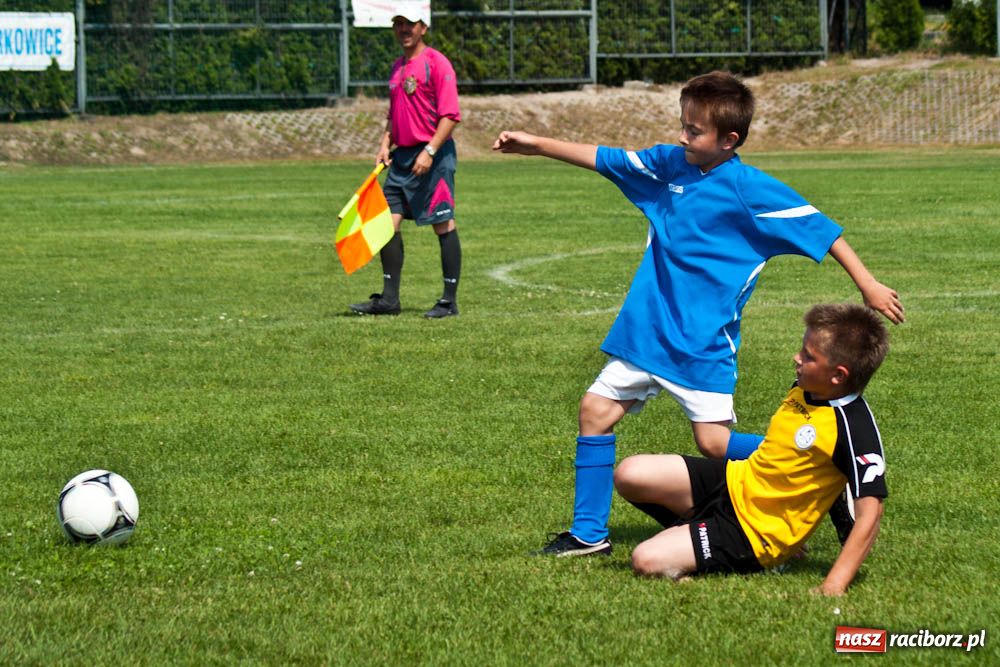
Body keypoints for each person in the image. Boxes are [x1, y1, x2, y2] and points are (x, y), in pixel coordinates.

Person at [492, 70, 904, 556]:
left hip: (702, 346)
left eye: (694, 130)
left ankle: (822, 473)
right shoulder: (669, 165)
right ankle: (588, 534)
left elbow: (822, 229)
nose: (683, 136)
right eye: (683, 125)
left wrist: (867, 283)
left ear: (729, 140)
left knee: (713, 443)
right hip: (646, 336)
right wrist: (536, 145)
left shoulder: (751, 190)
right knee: (595, 412)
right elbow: (606, 158)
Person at [613, 303, 890, 596]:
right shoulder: (806, 388)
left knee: (646, 559)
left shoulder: (854, 427)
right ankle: (699, 538)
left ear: (838, 375)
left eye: (809, 356)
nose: (797, 357)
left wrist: (833, 585)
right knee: (630, 474)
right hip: (738, 480)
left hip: (757, 533)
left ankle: (743, 556)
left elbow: (870, 513)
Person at [350, 3, 463, 319]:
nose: (404, 29)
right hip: (400, 161)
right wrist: (384, 143)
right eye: (398, 23)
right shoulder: (397, 67)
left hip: (434, 158)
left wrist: (430, 151)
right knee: (386, 225)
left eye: (410, 23)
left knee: (443, 224)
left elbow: (451, 115)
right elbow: (394, 114)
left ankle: (448, 302)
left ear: (423, 27)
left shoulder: (437, 63)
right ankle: (389, 300)